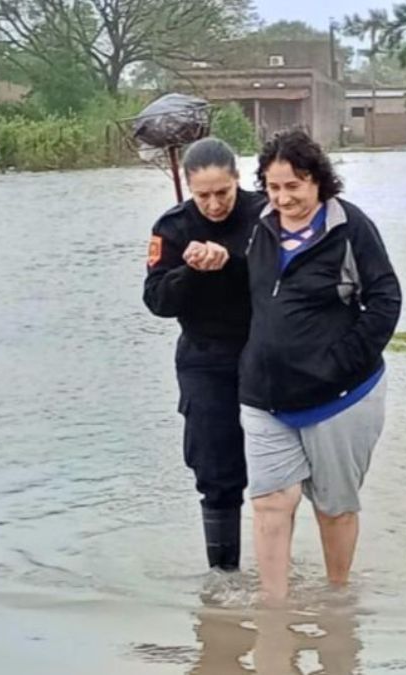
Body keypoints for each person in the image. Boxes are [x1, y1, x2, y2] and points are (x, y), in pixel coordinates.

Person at [238, 130, 402, 603]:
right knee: (270, 503)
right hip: (264, 395)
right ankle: (274, 607)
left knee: (333, 508)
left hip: (341, 397)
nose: (284, 197)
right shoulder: (258, 226)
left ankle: (337, 602)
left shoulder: (351, 228)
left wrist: (337, 365)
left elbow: (385, 302)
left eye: (295, 186)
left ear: (319, 182)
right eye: (273, 187)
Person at [143, 138, 268, 571]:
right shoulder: (172, 227)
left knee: (281, 468)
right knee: (216, 470)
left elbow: (284, 283)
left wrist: (230, 262)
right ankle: (224, 575)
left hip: (265, 350)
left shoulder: (266, 212)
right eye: (204, 196)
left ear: (238, 180)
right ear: (190, 190)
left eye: (223, 193)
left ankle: (286, 573)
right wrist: (190, 272)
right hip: (204, 357)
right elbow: (157, 302)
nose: (214, 205)